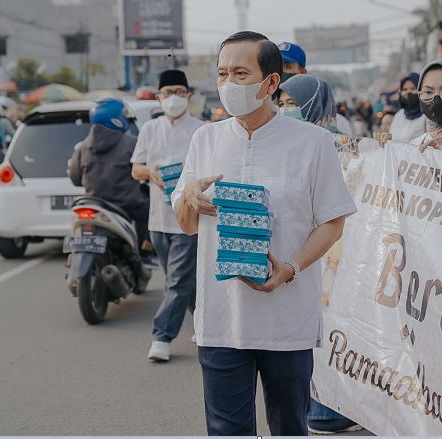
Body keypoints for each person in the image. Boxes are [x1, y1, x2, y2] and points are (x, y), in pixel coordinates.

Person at [172, 31, 356, 436]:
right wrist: (189, 196)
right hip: (222, 320)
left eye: (240, 73)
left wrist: (290, 267)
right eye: (222, 73)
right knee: (226, 430)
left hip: (286, 320)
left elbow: (333, 221)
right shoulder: (205, 139)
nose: (228, 85)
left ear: (271, 83)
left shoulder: (313, 142)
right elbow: (186, 224)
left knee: (289, 426)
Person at [278, 73, 364, 435]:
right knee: (309, 332)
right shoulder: (282, 142)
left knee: (333, 329)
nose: (286, 111)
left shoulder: (337, 141)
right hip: (300, 249)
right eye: (281, 103)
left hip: (336, 248)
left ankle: (329, 408)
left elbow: (356, 186)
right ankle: (316, 408)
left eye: (293, 104)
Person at [130, 69, 204, 362]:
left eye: (179, 92)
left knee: (176, 280)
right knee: (183, 280)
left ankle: (161, 337)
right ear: (158, 97)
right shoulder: (149, 130)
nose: (173, 98)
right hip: (157, 219)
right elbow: (136, 168)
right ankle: (205, 322)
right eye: (167, 92)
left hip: (188, 217)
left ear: (188, 95)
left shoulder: (201, 130)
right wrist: (151, 171)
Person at [67, 97, 150, 253]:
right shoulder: (131, 143)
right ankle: (142, 252)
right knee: (147, 208)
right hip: (125, 205)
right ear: (115, 118)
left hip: (94, 204)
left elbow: (75, 179)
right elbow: (143, 173)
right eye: (123, 115)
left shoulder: (83, 147)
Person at [278, 41, 353, 136]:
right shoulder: (272, 122)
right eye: (282, 104)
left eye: (287, 66)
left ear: (302, 72)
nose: (280, 73)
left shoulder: (338, 124)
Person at [390, 72, 427, 142]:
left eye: (413, 88)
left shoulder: (427, 116)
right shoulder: (399, 115)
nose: (409, 92)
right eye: (405, 89)